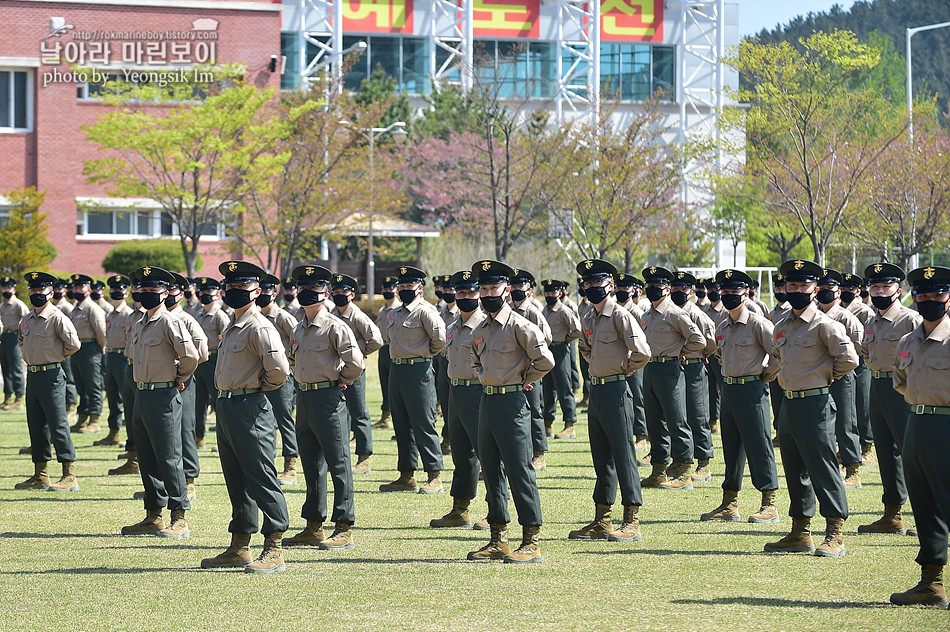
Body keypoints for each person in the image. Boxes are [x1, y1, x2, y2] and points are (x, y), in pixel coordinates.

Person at [201, 261, 291, 573]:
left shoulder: (260, 327)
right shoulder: (232, 325)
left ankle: (275, 546)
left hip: (250, 407)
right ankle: (240, 545)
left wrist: (256, 390)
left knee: (260, 476)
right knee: (236, 479)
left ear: (256, 292)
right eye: (231, 287)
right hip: (227, 408)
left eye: (242, 288)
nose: (234, 292)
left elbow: (279, 371)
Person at [765, 259, 858, 557]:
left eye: (803, 286)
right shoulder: (782, 325)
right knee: (794, 468)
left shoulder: (824, 325)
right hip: (789, 404)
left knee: (823, 468)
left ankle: (835, 532)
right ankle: (800, 531)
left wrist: (824, 377)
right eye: (791, 285)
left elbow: (849, 360)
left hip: (816, 404)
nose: (796, 290)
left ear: (815, 289)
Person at [468, 260, 554, 563]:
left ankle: (531, 538)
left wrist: (521, 381)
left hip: (513, 403)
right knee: (490, 470)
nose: (489, 293)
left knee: (519, 470)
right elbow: (475, 360)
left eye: (495, 288)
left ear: (506, 290)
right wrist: (483, 377)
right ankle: (498, 537)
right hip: (488, 402)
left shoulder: (521, 325)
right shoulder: (480, 328)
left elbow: (545, 361)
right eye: (485, 288)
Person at [282, 264, 364, 551]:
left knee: (339, 464)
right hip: (304, 398)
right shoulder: (298, 326)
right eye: (303, 289)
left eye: (313, 290)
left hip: (328, 399)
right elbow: (293, 361)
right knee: (311, 464)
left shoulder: (335, 326)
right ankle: (313, 525)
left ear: (325, 293)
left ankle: (344, 527)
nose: (307, 295)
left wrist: (339, 382)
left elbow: (356, 363)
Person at [570, 259, 650, 543]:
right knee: (601, 457)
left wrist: (622, 368)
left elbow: (642, 351)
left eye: (597, 283)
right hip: (598, 391)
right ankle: (602, 519)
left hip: (617, 390)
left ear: (611, 285)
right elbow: (585, 349)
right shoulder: (589, 317)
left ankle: (632, 520)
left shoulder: (620, 315)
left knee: (624, 455)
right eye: (588, 283)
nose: (592, 288)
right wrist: (600, 367)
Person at [120, 266, 200, 539]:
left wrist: (176, 378)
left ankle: (179, 516)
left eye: (154, 290)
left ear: (166, 293)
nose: (148, 294)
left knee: (169, 457)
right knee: (146, 456)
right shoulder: (140, 322)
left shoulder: (170, 322)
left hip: (163, 394)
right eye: (144, 290)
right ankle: (153, 515)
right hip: (142, 394)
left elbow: (190, 356)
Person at [889, 265, 950, 607]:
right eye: (922, 294)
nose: (928, 300)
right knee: (924, 508)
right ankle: (932, 584)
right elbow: (900, 379)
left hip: (946, 426)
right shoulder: (907, 340)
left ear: (948, 297)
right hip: (917, 424)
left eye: (936, 294)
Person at [700, 269, 780, 524]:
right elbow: (721, 355)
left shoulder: (758, 324)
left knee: (759, 445)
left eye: (734, 292)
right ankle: (729, 503)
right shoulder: (722, 326)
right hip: (730, 390)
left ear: (746, 293)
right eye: (725, 292)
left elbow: (778, 353)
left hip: (752, 390)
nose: (729, 296)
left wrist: (765, 375)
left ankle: (769, 502)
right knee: (731, 447)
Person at [858, 262, 922, 537]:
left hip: (903, 391)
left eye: (886, 286)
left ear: (899, 289)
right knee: (885, 452)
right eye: (875, 286)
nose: (880, 291)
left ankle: (926, 515)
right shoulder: (871, 320)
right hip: (877, 387)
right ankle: (892, 514)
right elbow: (865, 353)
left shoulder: (911, 319)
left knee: (913, 455)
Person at [378, 266, 446, 494]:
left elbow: (440, 341)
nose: (405, 289)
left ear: (420, 287)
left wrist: (423, 354)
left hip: (419, 371)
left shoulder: (426, 311)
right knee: (401, 423)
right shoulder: (395, 313)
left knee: (423, 423)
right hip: (397, 371)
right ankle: (407, 475)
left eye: (410, 286)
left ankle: (434, 475)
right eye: (403, 286)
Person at [13, 271, 81, 492]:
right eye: (32, 290)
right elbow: (21, 342)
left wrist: (54, 355)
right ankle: (40, 474)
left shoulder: (57, 317)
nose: (36, 293)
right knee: (36, 425)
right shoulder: (27, 318)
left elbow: (73, 344)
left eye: (40, 290)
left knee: (58, 424)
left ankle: (69, 475)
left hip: (51, 375)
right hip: (33, 375)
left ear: (50, 293)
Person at [638, 266, 705, 490]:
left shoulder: (675, 313)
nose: (652, 290)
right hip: (650, 369)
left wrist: (681, 350)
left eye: (656, 286)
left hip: (670, 369)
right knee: (654, 422)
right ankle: (659, 470)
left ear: (666, 289)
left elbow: (699, 339)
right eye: (649, 286)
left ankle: (685, 469)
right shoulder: (647, 314)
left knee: (677, 420)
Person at [430, 270, 487, 529]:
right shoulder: (452, 328)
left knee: (488, 454)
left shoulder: (487, 325)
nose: (465, 296)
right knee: (461, 453)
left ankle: (496, 510)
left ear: (479, 294)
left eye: (470, 292)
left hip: (479, 392)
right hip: (457, 392)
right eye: (460, 292)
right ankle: (460, 509)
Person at [814, 269, 864, 489]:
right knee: (824, 423)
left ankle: (852, 468)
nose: (826, 293)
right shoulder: (813, 315)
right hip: (820, 378)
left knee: (845, 422)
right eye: (822, 288)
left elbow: (860, 346)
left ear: (838, 291)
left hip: (842, 376)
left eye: (830, 289)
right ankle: (831, 463)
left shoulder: (846, 317)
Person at [330, 273, 383, 474]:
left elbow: (376, 339)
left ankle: (364, 457)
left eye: (343, 292)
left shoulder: (357, 315)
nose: (339, 295)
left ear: (351, 295)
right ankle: (340, 457)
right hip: (336, 370)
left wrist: (359, 354)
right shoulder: (332, 313)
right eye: (336, 292)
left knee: (358, 412)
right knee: (339, 414)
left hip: (354, 371)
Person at [669, 271, 717, 483]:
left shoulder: (696, 314)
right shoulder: (668, 312)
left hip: (693, 367)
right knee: (677, 415)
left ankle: (704, 462)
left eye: (683, 289)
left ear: (690, 291)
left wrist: (699, 356)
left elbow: (710, 341)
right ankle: (680, 458)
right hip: (675, 367)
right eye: (676, 288)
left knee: (697, 414)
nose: (679, 292)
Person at [166, 272, 209, 502]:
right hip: (161, 383)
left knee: (184, 429)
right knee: (164, 434)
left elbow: (201, 353)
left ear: (180, 295)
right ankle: (167, 483)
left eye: (171, 292)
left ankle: (189, 480)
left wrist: (181, 374)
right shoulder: (155, 318)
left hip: (182, 382)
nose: (167, 296)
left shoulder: (187, 320)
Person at [258, 274, 300, 486]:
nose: (263, 296)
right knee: (265, 422)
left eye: (267, 292)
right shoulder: (254, 317)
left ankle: (290, 465)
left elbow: (299, 340)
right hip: (260, 378)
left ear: (274, 294)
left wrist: (292, 365)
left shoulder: (283, 318)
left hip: (282, 377)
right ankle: (267, 466)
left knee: (284, 419)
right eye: (260, 291)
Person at [510, 269, 552, 471]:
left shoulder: (533, 312)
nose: (517, 290)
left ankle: (539, 453)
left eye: (521, 286)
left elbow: (547, 337)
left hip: (530, 371)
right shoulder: (507, 311)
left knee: (534, 411)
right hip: (511, 371)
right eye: (514, 286)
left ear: (528, 290)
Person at [840, 272, 876, 463]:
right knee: (846, 409)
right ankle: (846, 446)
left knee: (862, 404)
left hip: (861, 363)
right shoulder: (835, 309)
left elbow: (868, 338)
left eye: (850, 289)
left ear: (857, 291)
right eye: (843, 288)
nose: (846, 291)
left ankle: (867, 445)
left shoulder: (864, 311)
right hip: (842, 364)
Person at [66, 274, 107, 435]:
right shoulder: (75, 308)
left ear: (88, 290)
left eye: (80, 287)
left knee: (93, 386)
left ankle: (94, 421)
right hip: (77, 349)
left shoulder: (92, 309)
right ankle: (82, 419)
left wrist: (100, 348)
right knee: (80, 386)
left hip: (90, 348)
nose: (77, 290)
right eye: (75, 287)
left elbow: (101, 333)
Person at [541, 279, 581, 439]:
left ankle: (569, 424)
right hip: (547, 349)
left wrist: (566, 340)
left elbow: (577, 329)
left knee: (564, 387)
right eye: (547, 292)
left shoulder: (563, 310)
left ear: (559, 293)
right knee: (548, 388)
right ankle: (548, 424)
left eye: (553, 292)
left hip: (560, 349)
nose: (550, 295)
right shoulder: (544, 310)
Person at [96, 275, 133, 447]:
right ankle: (114, 432)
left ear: (126, 293)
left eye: (120, 290)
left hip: (123, 358)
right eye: (114, 290)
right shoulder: (110, 312)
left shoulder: (129, 314)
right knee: (112, 396)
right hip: (110, 355)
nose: (116, 292)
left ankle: (131, 437)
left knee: (126, 397)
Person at [614, 273, 649, 454]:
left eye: (625, 288)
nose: (621, 291)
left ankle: (641, 435)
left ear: (633, 290)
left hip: (634, 363)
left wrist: (634, 364)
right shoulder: (613, 310)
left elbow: (644, 340)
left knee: (637, 397)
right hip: (618, 363)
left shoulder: (636, 312)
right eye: (618, 287)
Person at [193, 277, 229, 450]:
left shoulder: (220, 316)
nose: (205, 294)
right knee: (198, 401)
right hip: (199, 361)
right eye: (202, 291)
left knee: (218, 401)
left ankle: (224, 438)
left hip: (215, 359)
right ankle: (198, 436)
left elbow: (226, 342)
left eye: (209, 291)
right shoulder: (197, 314)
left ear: (217, 294)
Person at [373, 276, 400, 430]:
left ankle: (393, 416)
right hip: (383, 349)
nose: (387, 291)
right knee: (384, 383)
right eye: (385, 289)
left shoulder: (398, 309)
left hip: (393, 348)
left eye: (391, 289)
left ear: (396, 291)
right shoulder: (382, 310)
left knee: (393, 385)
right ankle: (385, 417)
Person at [0, 276, 29, 411]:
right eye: (4, 287)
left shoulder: (18, 305)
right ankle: (7, 397)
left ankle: (19, 398)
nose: (6, 290)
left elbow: (27, 322)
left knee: (16, 368)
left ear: (14, 289)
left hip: (14, 337)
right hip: (4, 337)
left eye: (9, 287)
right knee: (5, 368)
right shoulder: (2, 305)